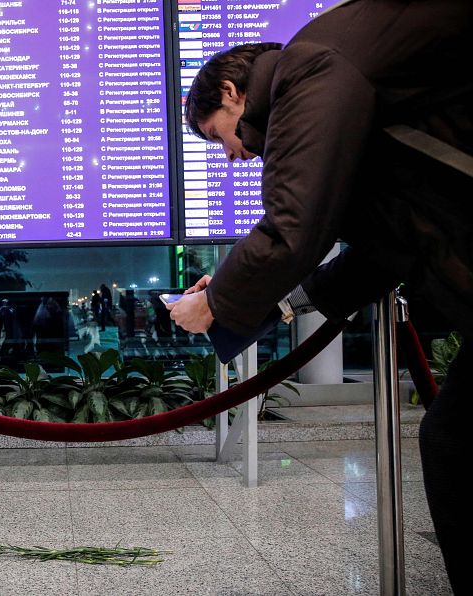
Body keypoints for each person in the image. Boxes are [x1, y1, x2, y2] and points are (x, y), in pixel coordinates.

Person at [166, 1, 472, 591]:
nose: (229, 155)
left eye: (217, 136)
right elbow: (386, 249)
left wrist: (217, 303)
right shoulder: (333, 80)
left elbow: (292, 225)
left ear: (231, 93)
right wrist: (276, 303)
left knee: (455, 443)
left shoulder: (308, 67)